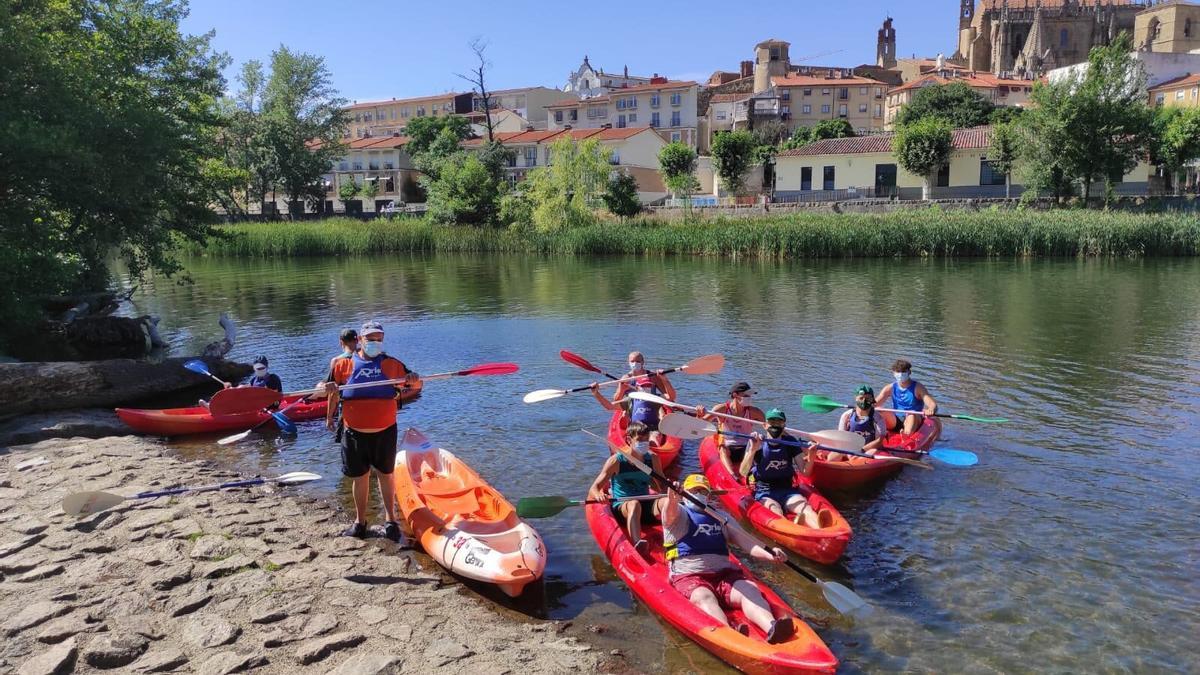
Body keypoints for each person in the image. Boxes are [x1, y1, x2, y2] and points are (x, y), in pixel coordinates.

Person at [662, 474, 795, 643]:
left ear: (709, 496)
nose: (698, 494)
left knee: (749, 590)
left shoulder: (722, 517)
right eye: (693, 491)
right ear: (684, 493)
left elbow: (747, 542)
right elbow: (669, 515)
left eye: (702, 491)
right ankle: (729, 634)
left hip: (723, 575)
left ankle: (771, 626)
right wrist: (672, 500)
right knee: (704, 597)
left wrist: (771, 554)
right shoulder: (680, 513)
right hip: (690, 576)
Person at [324, 321, 420, 541]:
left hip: (384, 431)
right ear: (360, 339)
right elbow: (330, 391)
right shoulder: (342, 365)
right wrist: (329, 415)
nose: (375, 343)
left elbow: (413, 385)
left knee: (386, 475)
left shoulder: (392, 364)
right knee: (360, 477)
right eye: (370, 339)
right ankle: (360, 521)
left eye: (379, 339)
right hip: (354, 432)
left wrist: (413, 379)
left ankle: (390, 520)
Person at [587, 422, 663, 558]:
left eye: (646, 440)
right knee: (634, 504)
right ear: (629, 440)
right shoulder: (616, 461)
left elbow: (662, 485)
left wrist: (673, 492)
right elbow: (595, 488)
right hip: (623, 506)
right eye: (639, 440)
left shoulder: (653, 459)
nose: (644, 443)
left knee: (666, 501)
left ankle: (676, 540)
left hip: (644, 503)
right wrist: (599, 495)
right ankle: (637, 542)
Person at [739, 409, 820, 528]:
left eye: (779, 422)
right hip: (765, 492)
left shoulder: (791, 443)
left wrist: (812, 457)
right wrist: (752, 451)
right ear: (765, 425)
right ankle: (793, 529)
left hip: (787, 489)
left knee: (805, 508)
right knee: (775, 511)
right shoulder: (757, 443)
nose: (775, 425)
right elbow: (743, 471)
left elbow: (805, 472)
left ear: (784, 425)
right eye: (772, 422)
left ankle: (820, 531)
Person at [696, 382, 765, 477]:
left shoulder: (755, 412)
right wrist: (699, 415)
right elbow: (700, 424)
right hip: (729, 446)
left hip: (746, 447)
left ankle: (756, 474)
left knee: (759, 447)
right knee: (723, 449)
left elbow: (768, 427)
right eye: (746, 395)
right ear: (735, 395)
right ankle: (732, 475)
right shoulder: (721, 409)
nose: (749, 398)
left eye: (749, 395)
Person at [612, 352, 676, 444]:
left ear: (643, 362)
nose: (635, 363)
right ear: (628, 362)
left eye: (638, 361)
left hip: (651, 412)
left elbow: (670, 397)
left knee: (654, 438)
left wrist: (664, 379)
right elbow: (616, 400)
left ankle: (653, 444)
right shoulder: (626, 378)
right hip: (634, 415)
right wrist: (622, 388)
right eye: (632, 361)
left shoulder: (652, 377)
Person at [875, 360, 937, 436]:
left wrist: (931, 409)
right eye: (898, 371)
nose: (900, 374)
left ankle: (906, 435)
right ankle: (877, 433)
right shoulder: (889, 388)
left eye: (903, 371)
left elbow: (931, 403)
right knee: (881, 410)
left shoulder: (918, 388)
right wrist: (863, 407)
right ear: (893, 373)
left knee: (911, 414)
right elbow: (875, 403)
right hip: (896, 420)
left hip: (913, 418)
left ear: (909, 372)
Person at [829, 385, 888, 461]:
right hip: (850, 447)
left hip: (868, 449)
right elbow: (842, 438)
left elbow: (879, 442)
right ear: (856, 398)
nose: (864, 401)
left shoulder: (878, 418)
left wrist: (861, 450)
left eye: (867, 398)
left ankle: (855, 463)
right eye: (861, 398)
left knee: (872, 452)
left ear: (872, 399)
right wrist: (850, 451)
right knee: (831, 458)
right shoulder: (846, 416)